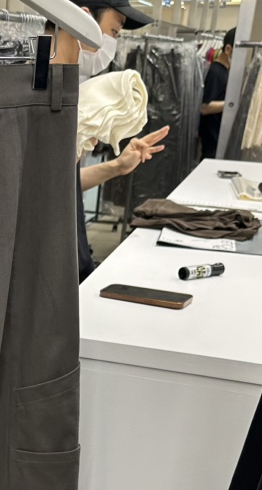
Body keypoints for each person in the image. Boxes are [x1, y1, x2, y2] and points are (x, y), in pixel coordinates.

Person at [48, 0, 169, 281]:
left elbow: (63, 184)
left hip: (71, 261)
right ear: (82, 19)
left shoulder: (69, 96)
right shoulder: (34, 102)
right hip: (49, 270)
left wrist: (117, 166)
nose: (114, 44)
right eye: (114, 32)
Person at [199, 27, 236, 159]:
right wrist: (232, 104)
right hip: (211, 140)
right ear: (228, 49)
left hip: (218, 138)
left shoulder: (225, 71)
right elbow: (204, 107)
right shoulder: (216, 72)